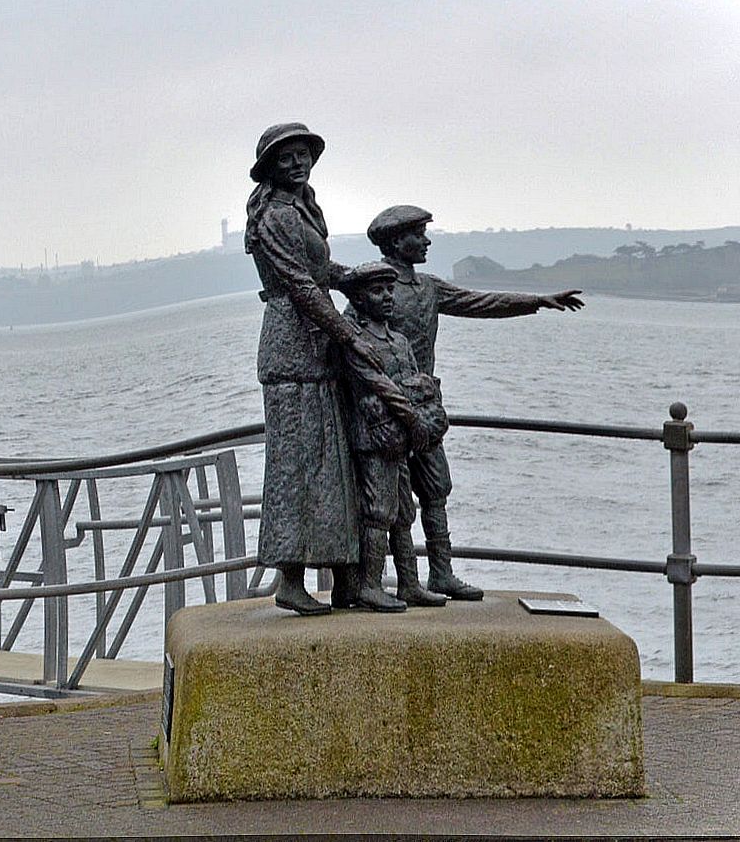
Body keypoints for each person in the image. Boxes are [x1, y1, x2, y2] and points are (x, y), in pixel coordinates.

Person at [245, 123, 422, 615]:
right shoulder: (275, 217)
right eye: (287, 158)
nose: (298, 164)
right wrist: (350, 335)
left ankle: (350, 579)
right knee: (296, 467)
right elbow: (302, 287)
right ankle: (290, 578)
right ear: (270, 168)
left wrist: (362, 280)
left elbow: (323, 275)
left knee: (332, 468)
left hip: (317, 348)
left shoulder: (304, 208)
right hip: (291, 348)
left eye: (303, 155)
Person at [369, 204, 585, 600]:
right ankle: (408, 582)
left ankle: (442, 574)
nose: (427, 240)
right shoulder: (376, 289)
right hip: (387, 410)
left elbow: (480, 302)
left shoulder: (430, 288)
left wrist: (536, 301)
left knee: (436, 489)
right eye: (419, 234)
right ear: (397, 241)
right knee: (396, 501)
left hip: (426, 407)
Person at [335, 262, 449, 610]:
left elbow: (416, 383)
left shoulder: (399, 341)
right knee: (379, 511)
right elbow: (376, 384)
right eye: (377, 291)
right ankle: (369, 584)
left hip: (401, 441)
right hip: (375, 439)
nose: (387, 297)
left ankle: (409, 583)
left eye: (389, 290)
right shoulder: (357, 342)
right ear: (359, 298)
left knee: (403, 511)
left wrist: (423, 417)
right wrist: (413, 417)